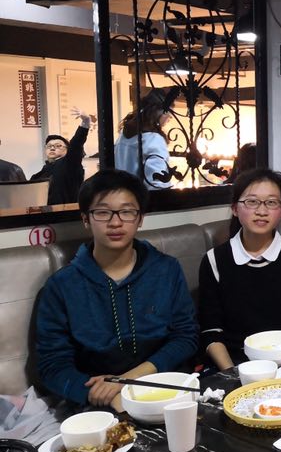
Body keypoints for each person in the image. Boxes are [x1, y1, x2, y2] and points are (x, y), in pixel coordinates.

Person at [35, 169, 198, 411]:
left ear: (140, 218)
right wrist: (98, 393)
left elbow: (186, 337)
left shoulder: (166, 269)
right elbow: (52, 365)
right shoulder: (62, 286)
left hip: (165, 387)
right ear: (86, 219)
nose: (115, 222)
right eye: (102, 212)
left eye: (127, 212)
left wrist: (127, 380)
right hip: (99, 401)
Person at [198, 168, 281, 370]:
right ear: (235, 208)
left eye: (271, 202)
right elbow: (211, 331)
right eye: (252, 202)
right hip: (230, 364)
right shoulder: (214, 260)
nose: (262, 211)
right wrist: (233, 374)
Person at [115, 88, 173, 189]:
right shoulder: (153, 140)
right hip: (143, 196)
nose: (170, 118)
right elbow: (156, 182)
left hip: (124, 193)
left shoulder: (123, 137)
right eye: (169, 113)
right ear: (160, 112)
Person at [30, 108, 90, 204]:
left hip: (68, 212)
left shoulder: (69, 164)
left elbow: (76, 144)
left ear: (67, 149)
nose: (52, 148)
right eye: (49, 146)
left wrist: (85, 122)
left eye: (58, 146)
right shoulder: (41, 172)